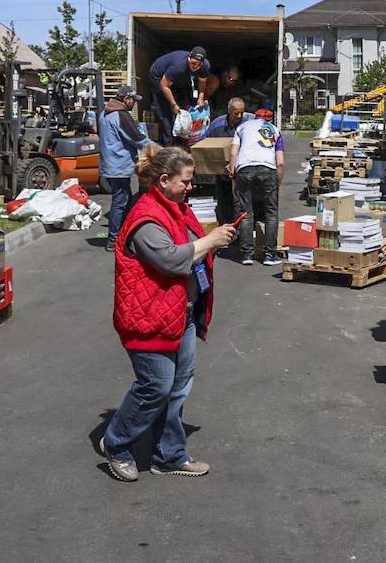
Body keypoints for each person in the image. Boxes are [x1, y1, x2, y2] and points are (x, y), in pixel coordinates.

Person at [100, 147, 237, 482]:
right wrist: (210, 241)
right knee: (155, 387)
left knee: (177, 388)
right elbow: (171, 260)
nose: (191, 187)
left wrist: (210, 242)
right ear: (164, 180)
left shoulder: (176, 208)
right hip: (149, 319)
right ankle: (116, 443)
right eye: (186, 181)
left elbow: (191, 247)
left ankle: (169, 454)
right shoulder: (146, 217)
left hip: (179, 313)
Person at [99, 84, 154, 251]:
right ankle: (114, 240)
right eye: (133, 100)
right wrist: (159, 151)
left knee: (125, 199)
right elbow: (136, 138)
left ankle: (123, 235)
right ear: (126, 99)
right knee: (120, 201)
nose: (134, 104)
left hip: (110, 164)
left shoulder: (104, 113)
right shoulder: (121, 115)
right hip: (118, 165)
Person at [228, 107, 284, 266]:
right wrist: (277, 182)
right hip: (268, 168)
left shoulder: (242, 127)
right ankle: (269, 255)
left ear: (254, 118)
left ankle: (247, 255)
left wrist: (233, 175)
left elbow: (233, 153)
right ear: (270, 120)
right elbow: (280, 162)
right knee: (271, 213)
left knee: (246, 212)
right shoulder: (275, 131)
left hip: (244, 168)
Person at [148, 47, 212, 145]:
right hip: (159, 77)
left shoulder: (205, 66)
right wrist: (173, 105)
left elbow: (202, 81)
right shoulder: (179, 67)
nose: (195, 67)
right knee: (166, 112)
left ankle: (182, 137)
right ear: (189, 58)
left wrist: (200, 97)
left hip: (176, 78)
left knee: (185, 101)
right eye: (193, 63)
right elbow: (164, 85)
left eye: (199, 65)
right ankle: (168, 144)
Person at [203, 97, 252, 224]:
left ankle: (239, 233)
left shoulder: (249, 123)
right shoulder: (216, 125)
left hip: (242, 172)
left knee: (239, 203)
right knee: (223, 203)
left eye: (242, 112)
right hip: (222, 173)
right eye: (236, 113)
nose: (240, 115)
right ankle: (226, 232)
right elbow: (204, 145)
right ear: (229, 111)